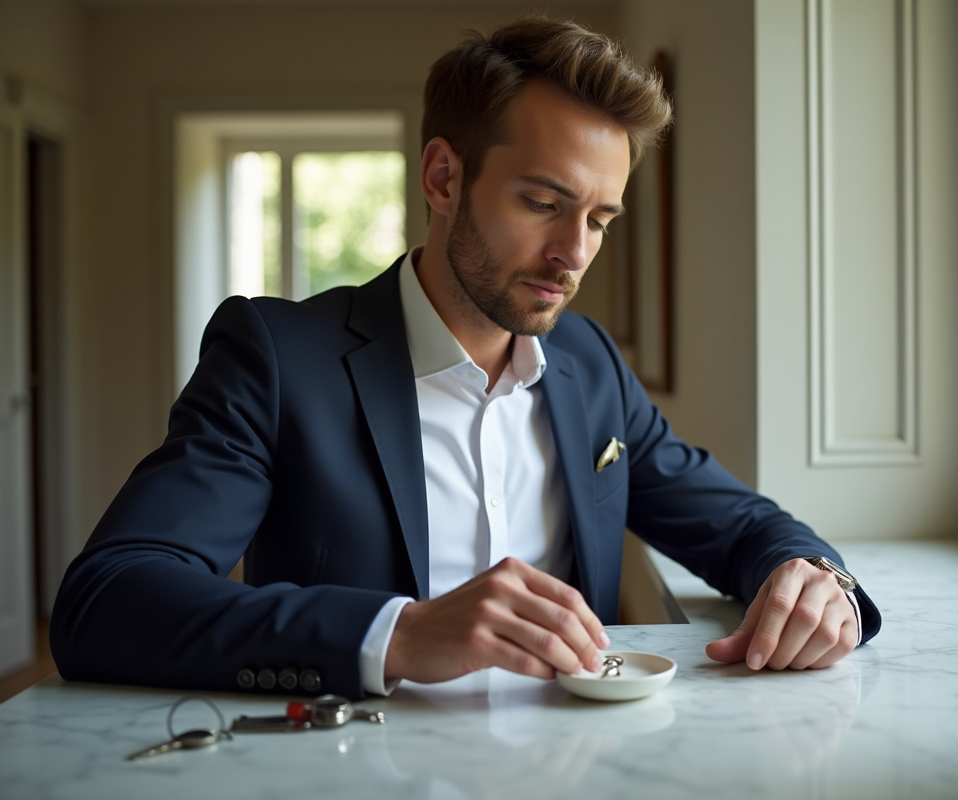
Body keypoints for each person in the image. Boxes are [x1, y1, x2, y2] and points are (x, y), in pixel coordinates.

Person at [50, 16, 880, 700]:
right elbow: (107, 598)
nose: (574, 253)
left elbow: (741, 524)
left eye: (599, 219)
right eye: (544, 203)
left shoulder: (590, 364)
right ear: (444, 179)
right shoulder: (276, 358)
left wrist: (816, 579)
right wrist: (400, 634)